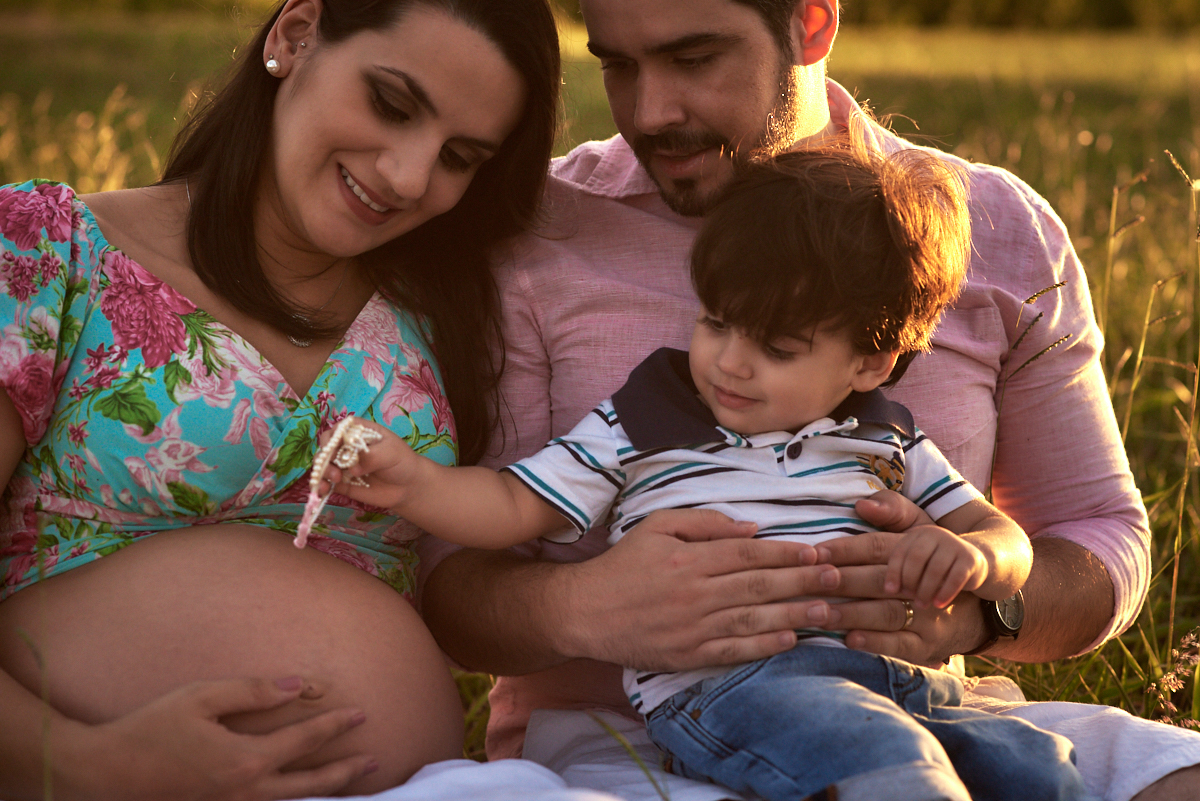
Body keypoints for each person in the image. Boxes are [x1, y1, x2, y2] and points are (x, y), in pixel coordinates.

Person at [416, 0, 1200, 799]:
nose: (648, 112)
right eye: (617, 63)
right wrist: (585, 607)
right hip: (628, 743)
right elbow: (450, 582)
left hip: (933, 706)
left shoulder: (999, 228)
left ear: (813, 23)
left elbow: (1101, 539)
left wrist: (975, 613)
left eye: (694, 58)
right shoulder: (533, 235)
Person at [324, 145, 1090, 801]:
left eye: (778, 346)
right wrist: (416, 484)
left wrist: (980, 558)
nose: (729, 362)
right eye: (716, 322)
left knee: (1035, 766)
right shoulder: (645, 419)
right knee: (889, 765)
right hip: (728, 686)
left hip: (894, 675)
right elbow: (513, 503)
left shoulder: (884, 437)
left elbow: (999, 535)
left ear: (870, 360)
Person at [0, 0, 561, 797]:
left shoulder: (452, 312)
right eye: (392, 104)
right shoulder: (44, 252)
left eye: (460, 156)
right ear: (294, 37)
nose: (408, 176)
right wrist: (94, 765)